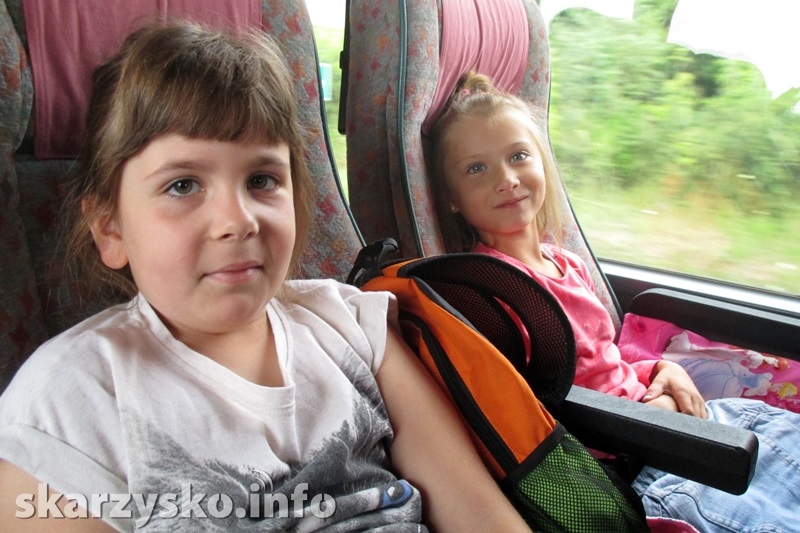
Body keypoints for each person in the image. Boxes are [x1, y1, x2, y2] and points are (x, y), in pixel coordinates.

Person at [0, 24, 532, 532]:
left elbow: (481, 517)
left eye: (261, 180)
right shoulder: (69, 402)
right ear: (110, 229)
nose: (238, 221)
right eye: (183, 185)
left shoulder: (349, 325)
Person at [425, 70, 800, 533]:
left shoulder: (566, 263)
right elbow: (538, 412)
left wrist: (660, 370)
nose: (506, 179)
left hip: (659, 421)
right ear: (452, 199)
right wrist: (652, 419)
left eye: (518, 156)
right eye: (476, 168)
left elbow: (602, 362)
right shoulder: (492, 292)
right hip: (635, 463)